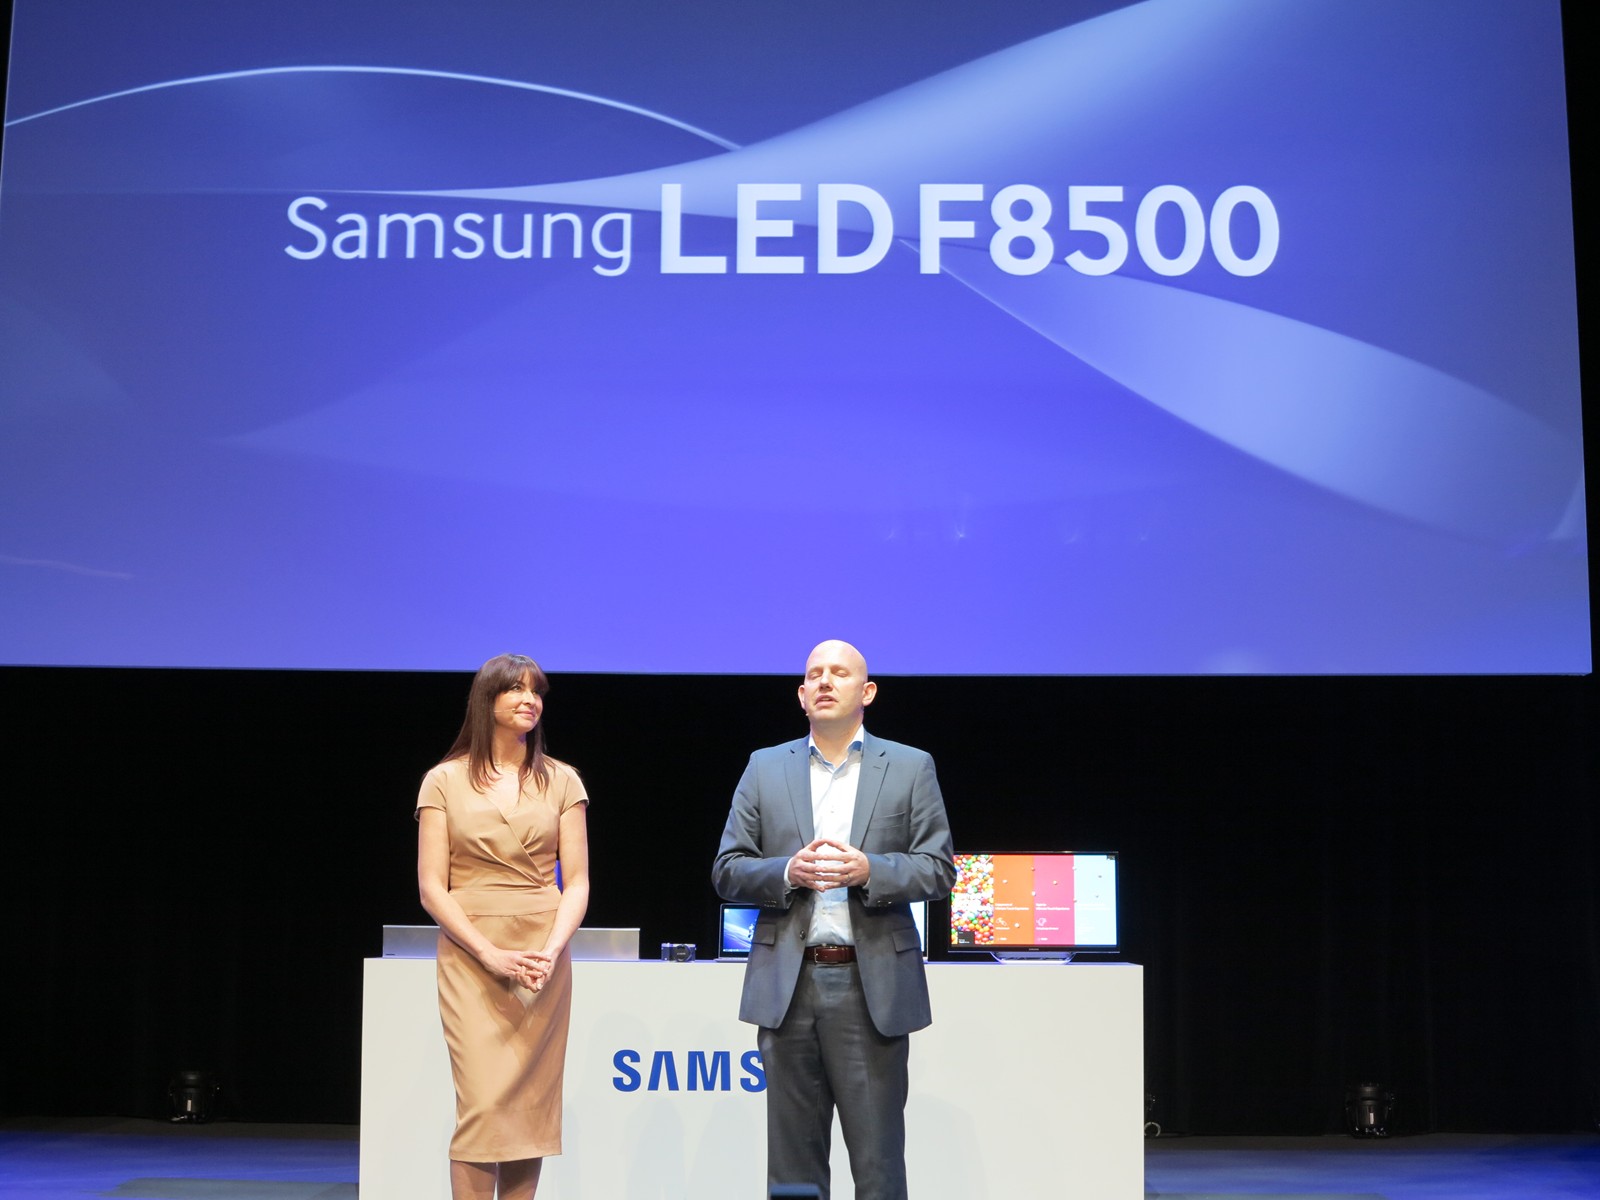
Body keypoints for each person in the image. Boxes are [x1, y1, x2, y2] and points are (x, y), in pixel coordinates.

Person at [712, 639, 955, 1200]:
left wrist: (872, 869)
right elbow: (728, 869)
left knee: (877, 1165)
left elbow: (938, 869)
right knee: (792, 1171)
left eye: (839, 673)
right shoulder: (764, 767)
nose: (825, 681)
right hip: (787, 986)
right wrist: (786, 871)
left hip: (869, 989)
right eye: (814, 674)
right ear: (801, 695)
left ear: (866, 692)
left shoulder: (910, 766)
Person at [416, 653, 591, 1200]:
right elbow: (432, 887)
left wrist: (552, 950)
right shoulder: (443, 781)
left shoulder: (562, 780)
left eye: (536, 691)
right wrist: (489, 953)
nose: (529, 699)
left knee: (527, 1109)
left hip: (541, 958)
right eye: (515, 689)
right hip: (472, 957)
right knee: (483, 1107)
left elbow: (577, 882)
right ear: (486, 699)